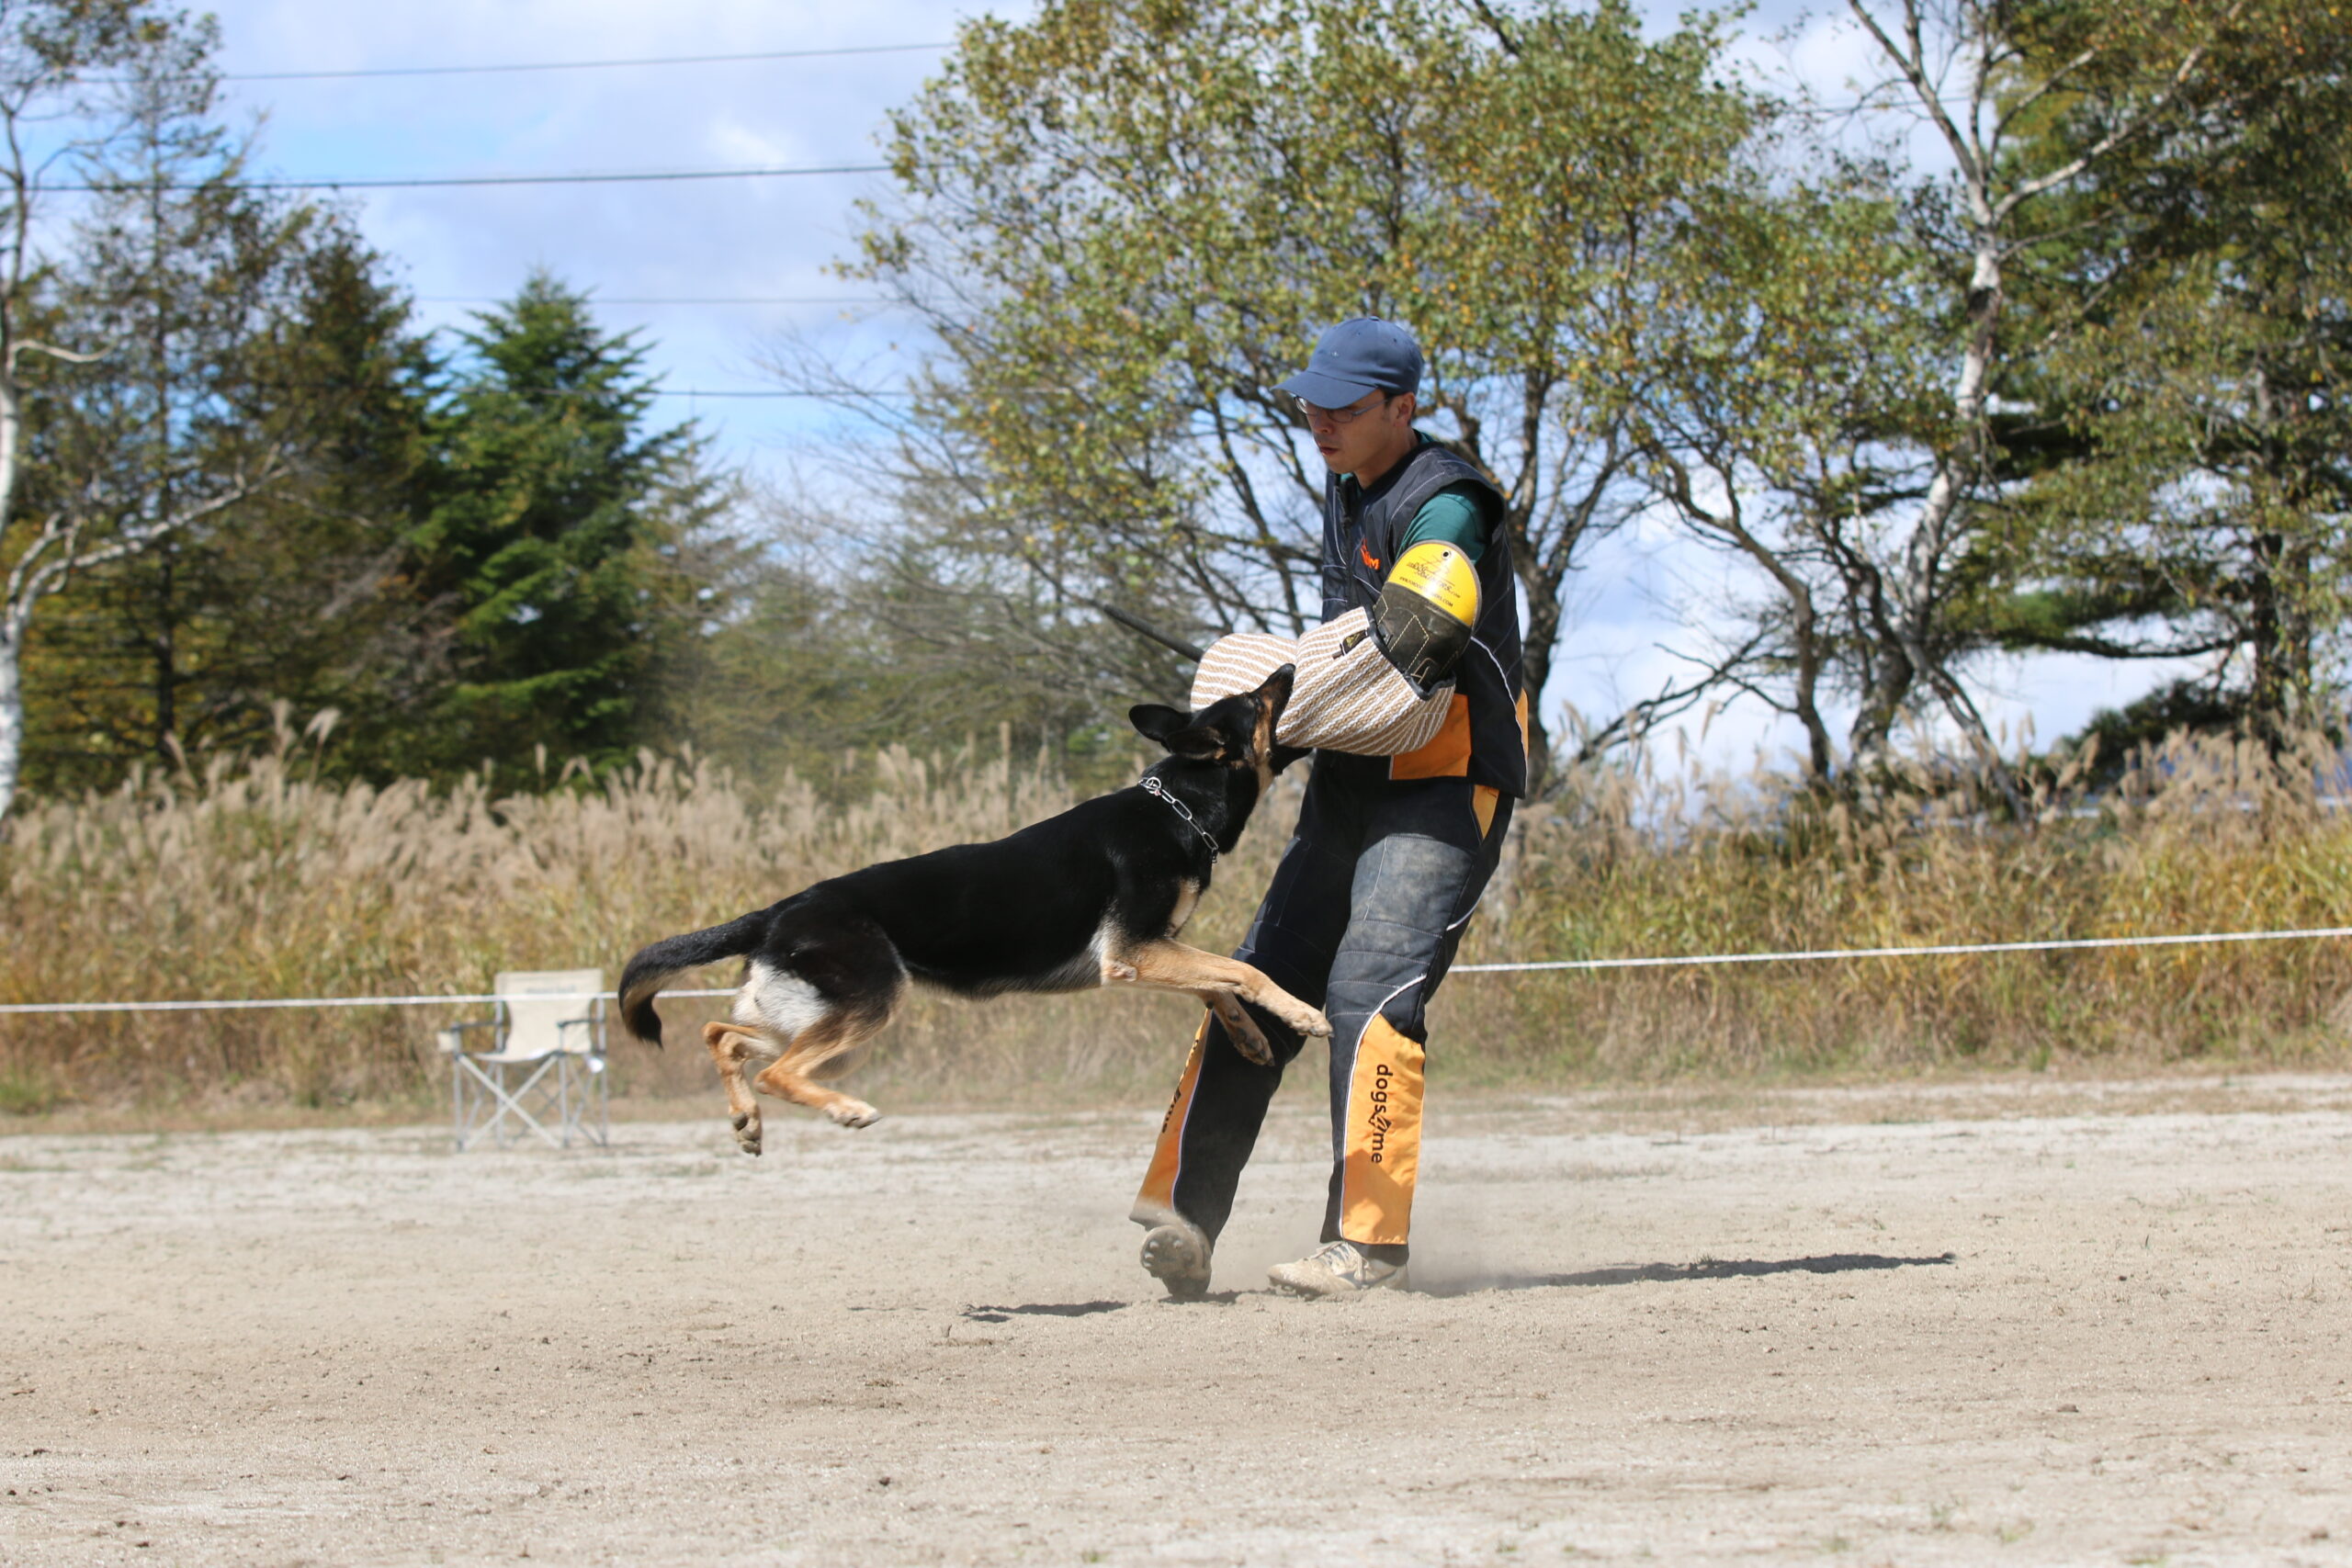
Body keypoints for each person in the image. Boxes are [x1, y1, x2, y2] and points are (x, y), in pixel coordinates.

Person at [1129, 317, 1528, 1298]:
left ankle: (1365, 1244)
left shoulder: (1448, 499)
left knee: (1370, 990)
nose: (1320, 421)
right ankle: (1183, 1217)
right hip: (1354, 778)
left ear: (1404, 407)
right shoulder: (1344, 478)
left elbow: (1429, 608)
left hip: (1445, 784)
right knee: (1255, 983)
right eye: (1311, 404)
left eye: (1345, 408)